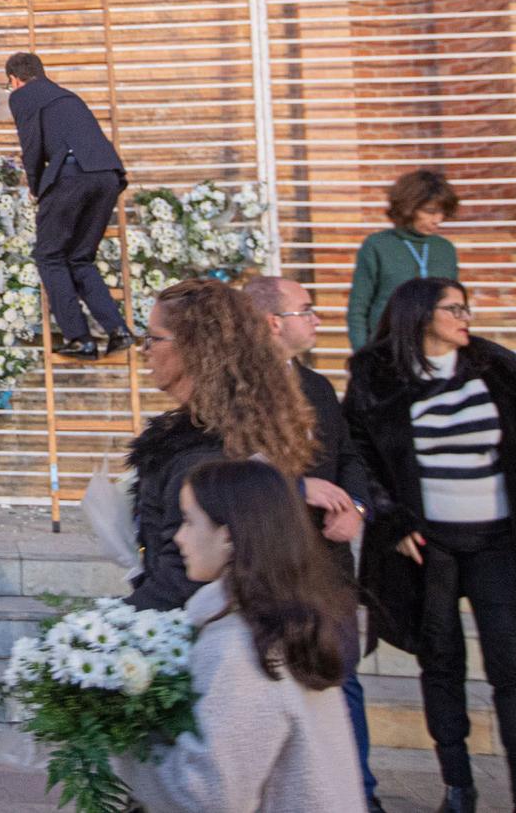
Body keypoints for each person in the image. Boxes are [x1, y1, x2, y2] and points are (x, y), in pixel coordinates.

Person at [344, 277, 516, 813]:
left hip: (499, 539)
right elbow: (361, 455)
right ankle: (458, 786)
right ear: (419, 316)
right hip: (428, 546)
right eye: (453, 309)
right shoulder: (375, 376)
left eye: (465, 307)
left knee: (512, 667)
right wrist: (390, 519)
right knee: (440, 664)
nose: (465, 317)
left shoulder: (500, 369)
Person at [113, 458, 364, 812]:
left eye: (188, 521)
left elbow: (206, 796)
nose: (178, 537)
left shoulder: (242, 647)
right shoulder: (286, 620)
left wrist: (121, 744)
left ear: (228, 535)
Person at [243, 274, 382, 812]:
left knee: (341, 677)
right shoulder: (236, 390)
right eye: (307, 309)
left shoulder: (319, 386)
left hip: (328, 559)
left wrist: (358, 509)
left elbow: (349, 457)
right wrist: (298, 488)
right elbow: (228, 466)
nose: (318, 319)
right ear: (273, 323)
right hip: (270, 560)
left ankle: (359, 796)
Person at [127, 279, 320, 612]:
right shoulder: (237, 426)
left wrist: (97, 634)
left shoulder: (208, 455)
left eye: (154, 339)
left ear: (194, 348)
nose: (144, 350)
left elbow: (183, 581)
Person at [4, 52, 130, 358]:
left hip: (72, 176)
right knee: (79, 258)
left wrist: (35, 187)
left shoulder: (23, 95)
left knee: (49, 256)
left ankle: (80, 338)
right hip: (108, 176)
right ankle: (118, 329)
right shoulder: (65, 96)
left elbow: (31, 144)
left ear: (13, 79)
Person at [345, 167, 460, 351]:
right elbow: (358, 308)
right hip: (388, 350)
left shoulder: (445, 249)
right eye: (430, 211)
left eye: (442, 212)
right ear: (409, 208)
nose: (437, 220)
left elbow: (454, 306)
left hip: (436, 350)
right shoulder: (377, 245)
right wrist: (362, 357)